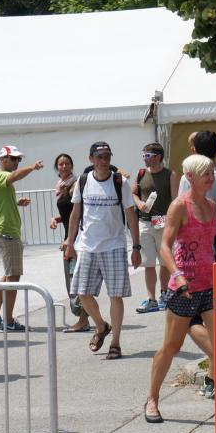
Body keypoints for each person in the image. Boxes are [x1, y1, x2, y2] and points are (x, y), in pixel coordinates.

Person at [145, 154, 216, 423]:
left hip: (210, 285)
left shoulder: (211, 205)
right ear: (190, 177)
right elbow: (165, 246)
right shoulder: (179, 206)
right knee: (171, 347)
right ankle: (152, 398)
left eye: (212, 172)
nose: (211, 178)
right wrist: (177, 275)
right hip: (184, 286)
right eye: (205, 173)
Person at [63, 142, 141, 360]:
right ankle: (101, 325)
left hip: (114, 245)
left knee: (115, 295)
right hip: (87, 245)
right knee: (82, 292)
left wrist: (136, 247)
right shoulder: (83, 181)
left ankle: (115, 343)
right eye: (99, 157)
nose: (104, 161)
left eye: (107, 156)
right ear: (91, 159)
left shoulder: (120, 182)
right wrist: (70, 242)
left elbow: (131, 215)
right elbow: (75, 213)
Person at [0, 145, 43, 332]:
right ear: (2, 159)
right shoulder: (0, 176)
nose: (17, 162)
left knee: (8, 275)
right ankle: (8, 320)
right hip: (7, 233)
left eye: (19, 159)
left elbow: (0, 201)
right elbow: (15, 176)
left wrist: (16, 202)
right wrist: (32, 167)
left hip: (6, 232)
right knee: (14, 276)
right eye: (13, 158)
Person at [133, 143, 178, 313]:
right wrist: (139, 203)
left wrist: (173, 223)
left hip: (164, 223)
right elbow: (133, 193)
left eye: (147, 155)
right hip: (145, 223)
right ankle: (151, 299)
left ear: (158, 157)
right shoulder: (141, 173)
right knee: (148, 263)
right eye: (143, 155)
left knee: (165, 262)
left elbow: (175, 200)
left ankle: (164, 295)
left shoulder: (170, 174)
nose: (144, 158)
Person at [49, 153, 90, 333]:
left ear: (72, 165)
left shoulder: (75, 185)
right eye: (61, 164)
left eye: (67, 164)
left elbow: (79, 214)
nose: (64, 167)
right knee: (73, 280)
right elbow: (68, 214)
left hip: (76, 240)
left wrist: (70, 241)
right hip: (70, 238)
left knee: (76, 280)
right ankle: (85, 318)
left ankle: (83, 319)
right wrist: (56, 219)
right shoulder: (61, 186)